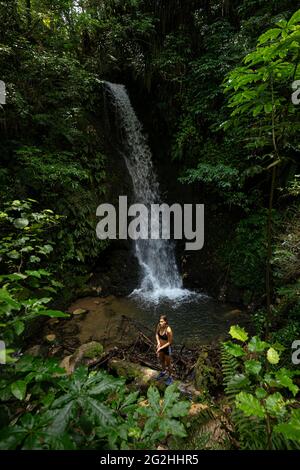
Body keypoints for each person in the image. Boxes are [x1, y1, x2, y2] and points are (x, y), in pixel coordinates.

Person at [155, 315, 173, 385]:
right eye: (160, 321)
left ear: (165, 322)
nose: (160, 323)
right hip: (161, 346)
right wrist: (158, 343)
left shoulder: (168, 330)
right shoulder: (159, 326)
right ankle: (163, 371)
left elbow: (170, 342)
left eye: (162, 321)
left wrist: (161, 348)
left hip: (166, 348)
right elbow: (156, 334)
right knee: (161, 360)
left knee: (168, 364)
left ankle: (170, 377)